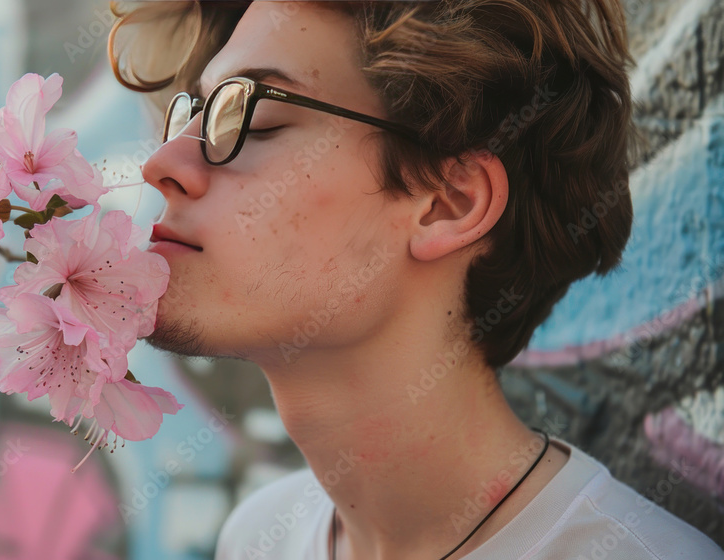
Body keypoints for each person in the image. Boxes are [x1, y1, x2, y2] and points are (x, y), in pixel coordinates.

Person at [107, 1, 724, 558]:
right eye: (191, 112)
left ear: (447, 204)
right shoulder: (261, 537)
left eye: (253, 117)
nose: (163, 163)